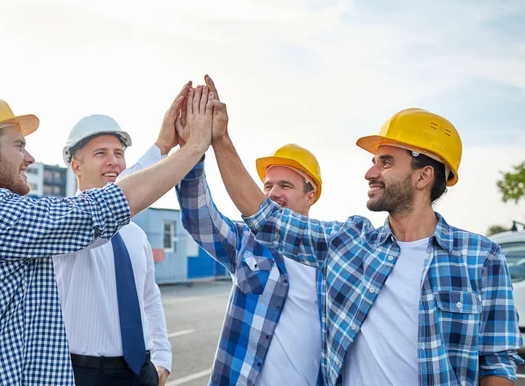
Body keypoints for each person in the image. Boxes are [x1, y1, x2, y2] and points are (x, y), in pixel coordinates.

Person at [204, 99, 524, 385]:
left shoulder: (480, 258)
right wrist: (221, 139)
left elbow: (495, 361)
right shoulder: (351, 245)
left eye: (385, 162)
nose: (370, 172)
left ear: (423, 176)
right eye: (374, 161)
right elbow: (264, 217)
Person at [0, 85, 215, 385]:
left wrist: (162, 148)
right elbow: (102, 208)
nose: (29, 157)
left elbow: (106, 210)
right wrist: (193, 147)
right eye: (18, 145)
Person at [175, 77, 324, 385]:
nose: (272, 194)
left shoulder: (334, 257)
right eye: (267, 185)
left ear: (311, 196)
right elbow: (199, 218)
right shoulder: (248, 242)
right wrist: (193, 152)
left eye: (285, 185)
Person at [54, 114, 172, 386]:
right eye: (100, 153)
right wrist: (161, 149)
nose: (113, 161)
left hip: (141, 372)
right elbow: (105, 206)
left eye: (118, 153)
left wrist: (162, 360)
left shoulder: (136, 234)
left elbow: (149, 297)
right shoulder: (61, 224)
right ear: (76, 165)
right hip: (83, 374)